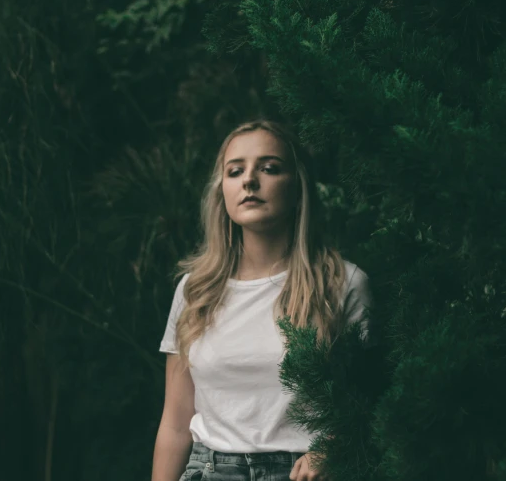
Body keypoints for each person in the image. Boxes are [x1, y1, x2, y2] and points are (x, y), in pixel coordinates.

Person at [151, 120, 377, 481]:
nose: (249, 180)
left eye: (269, 168)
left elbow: (370, 400)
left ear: (298, 188)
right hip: (209, 470)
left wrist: (332, 448)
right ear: (221, 190)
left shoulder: (342, 283)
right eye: (235, 170)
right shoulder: (195, 290)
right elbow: (176, 425)